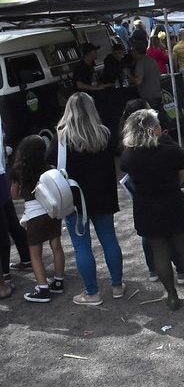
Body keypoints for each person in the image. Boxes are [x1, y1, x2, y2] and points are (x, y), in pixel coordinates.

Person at [120, 109, 184, 310]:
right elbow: (183, 175)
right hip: (172, 202)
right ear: (155, 129)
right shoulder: (171, 151)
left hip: (145, 207)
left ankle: (171, 296)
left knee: (159, 251)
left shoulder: (128, 156)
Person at [48, 92, 124, 306]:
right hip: (103, 196)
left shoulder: (61, 138)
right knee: (109, 239)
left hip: (74, 200)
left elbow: (50, 164)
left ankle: (92, 292)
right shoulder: (104, 133)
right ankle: (117, 285)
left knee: (82, 246)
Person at [9, 136, 67, 303]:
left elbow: (14, 195)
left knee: (35, 253)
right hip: (51, 211)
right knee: (56, 246)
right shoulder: (48, 167)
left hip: (34, 216)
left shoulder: (20, 171)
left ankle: (42, 288)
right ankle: (58, 281)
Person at [0, 117, 30, 293]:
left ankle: (4, 274)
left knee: (4, 225)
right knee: (9, 219)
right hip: (2, 172)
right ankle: (26, 258)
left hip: (1, 172)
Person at [129, 39, 163, 110]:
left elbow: (138, 81)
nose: (131, 52)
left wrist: (129, 75)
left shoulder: (140, 63)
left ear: (136, 51)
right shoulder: (152, 60)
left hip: (148, 96)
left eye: (132, 50)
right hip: (157, 93)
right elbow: (159, 77)